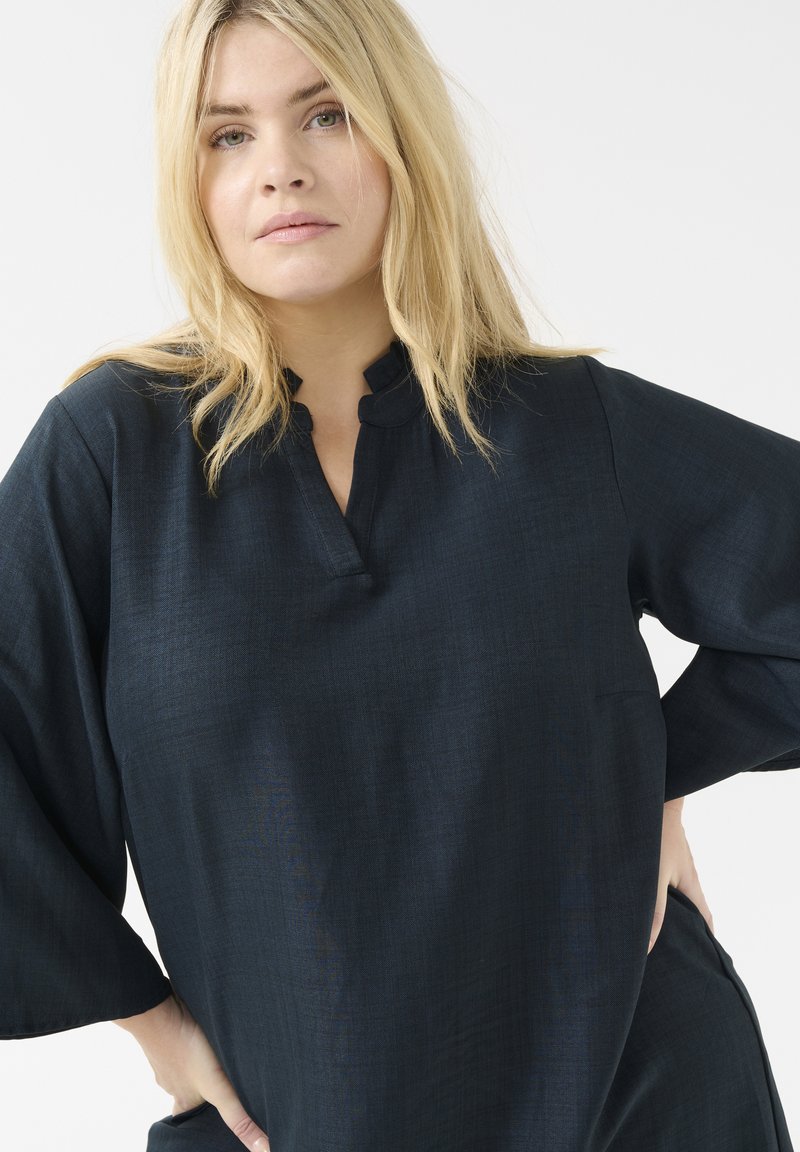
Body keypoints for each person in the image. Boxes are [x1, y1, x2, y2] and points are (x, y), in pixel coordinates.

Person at [0, 0, 797, 1149]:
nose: (279, 168)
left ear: (399, 135)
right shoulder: (111, 454)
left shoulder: (565, 429)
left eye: (325, 114)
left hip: (636, 1097)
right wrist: (151, 1025)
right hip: (287, 1118)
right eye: (228, 134)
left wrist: (652, 772)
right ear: (189, 177)